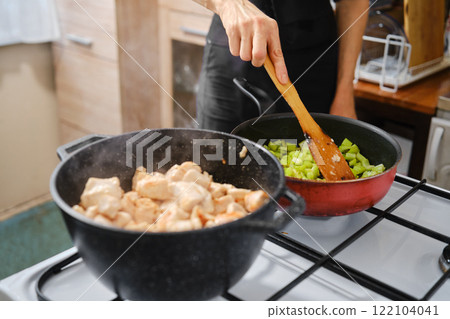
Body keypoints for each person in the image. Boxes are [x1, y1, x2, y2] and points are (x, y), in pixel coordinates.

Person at [193, 0, 369, 133]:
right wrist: (228, 4)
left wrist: (344, 90)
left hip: (315, 63)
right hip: (235, 49)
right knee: (219, 163)